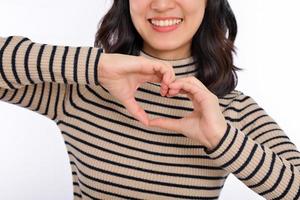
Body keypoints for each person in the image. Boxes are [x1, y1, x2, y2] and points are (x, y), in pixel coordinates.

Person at [0, 0, 299, 199]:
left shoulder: (230, 109)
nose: (161, 4)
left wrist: (221, 138)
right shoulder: (83, 87)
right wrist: (98, 66)